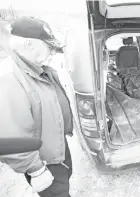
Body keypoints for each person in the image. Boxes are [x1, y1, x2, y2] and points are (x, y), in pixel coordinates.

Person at [0, 16, 73, 197]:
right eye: (48, 47)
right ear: (28, 44)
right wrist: (36, 170)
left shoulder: (34, 69)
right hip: (43, 162)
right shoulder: (9, 77)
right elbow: (11, 137)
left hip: (54, 151)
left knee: (63, 185)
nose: (51, 53)